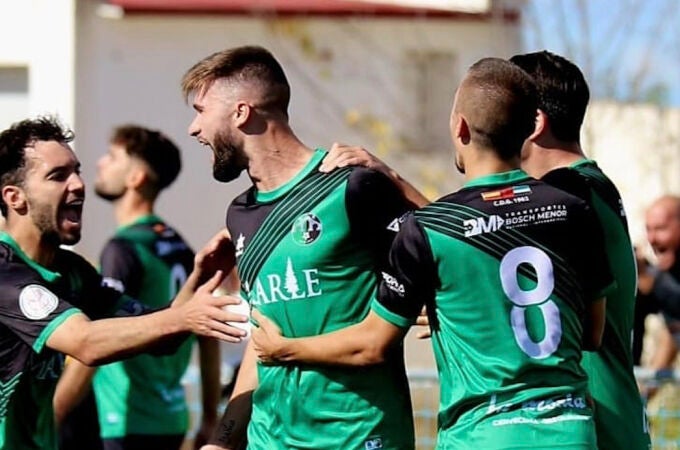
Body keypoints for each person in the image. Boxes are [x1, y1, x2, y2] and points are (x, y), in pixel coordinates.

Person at [251, 57, 611, 449]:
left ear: (460, 127)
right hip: (570, 429)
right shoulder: (574, 210)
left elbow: (371, 344)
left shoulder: (428, 230)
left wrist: (283, 349)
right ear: (529, 127)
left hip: (483, 435)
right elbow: (592, 333)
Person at [180, 45, 424, 450]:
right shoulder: (240, 215)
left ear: (241, 112)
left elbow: (446, 267)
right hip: (271, 441)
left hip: (358, 438)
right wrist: (222, 440)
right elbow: (263, 341)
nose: (193, 128)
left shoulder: (352, 186)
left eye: (201, 110)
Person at [0, 116, 248, 450]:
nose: (78, 184)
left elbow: (160, 335)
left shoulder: (73, 271)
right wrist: (185, 316)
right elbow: (86, 342)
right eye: (58, 176)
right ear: (15, 198)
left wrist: (198, 282)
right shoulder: (5, 273)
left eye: (77, 171)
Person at [508, 50, 651, 450]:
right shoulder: (592, 188)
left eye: (502, 111)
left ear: (534, 122)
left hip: (592, 426)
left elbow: (467, 236)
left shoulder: (565, 195)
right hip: (614, 419)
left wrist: (394, 183)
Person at [54, 125, 222, 450]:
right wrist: (209, 417)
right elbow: (209, 334)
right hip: (172, 419)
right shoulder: (180, 246)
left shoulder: (124, 249)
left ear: (136, 178)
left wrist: (51, 417)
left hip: (125, 420)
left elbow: (93, 345)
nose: (101, 164)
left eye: (113, 157)